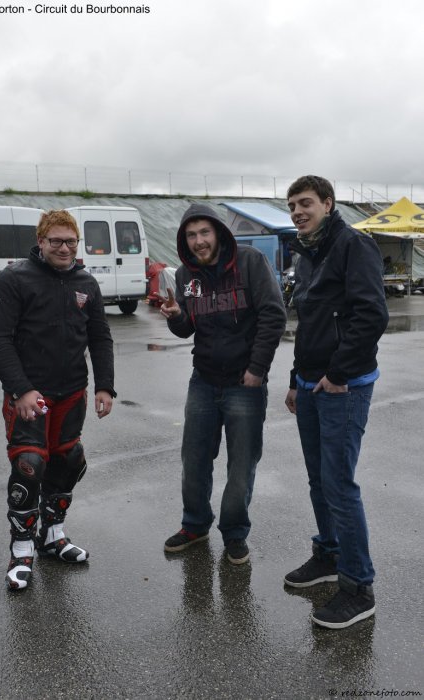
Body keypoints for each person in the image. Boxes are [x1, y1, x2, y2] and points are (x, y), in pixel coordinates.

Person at [0, 209, 116, 591]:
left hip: (71, 393)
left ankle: (52, 536)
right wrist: (21, 389)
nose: (64, 248)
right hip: (32, 395)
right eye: (55, 240)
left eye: (70, 241)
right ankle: (21, 549)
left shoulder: (86, 283)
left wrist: (105, 386)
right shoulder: (15, 278)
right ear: (40, 241)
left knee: (68, 461)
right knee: (30, 465)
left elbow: (100, 337)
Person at [283, 176, 389, 629]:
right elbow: (310, 324)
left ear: (327, 203)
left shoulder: (352, 245)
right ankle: (328, 554)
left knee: (339, 484)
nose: (297, 212)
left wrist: (338, 373)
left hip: (343, 387)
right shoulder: (308, 252)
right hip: (311, 384)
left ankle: (358, 586)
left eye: (305, 203)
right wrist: (295, 379)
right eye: (292, 206)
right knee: (318, 480)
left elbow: (372, 315)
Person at [160, 203, 286, 564]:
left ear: (218, 233)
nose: (199, 241)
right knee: (194, 460)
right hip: (203, 380)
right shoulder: (186, 275)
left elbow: (273, 315)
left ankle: (234, 533)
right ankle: (195, 525)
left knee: (241, 465)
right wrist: (176, 315)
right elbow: (186, 328)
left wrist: (257, 369)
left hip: (245, 383)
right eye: (191, 235)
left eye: (205, 232)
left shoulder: (250, 262)